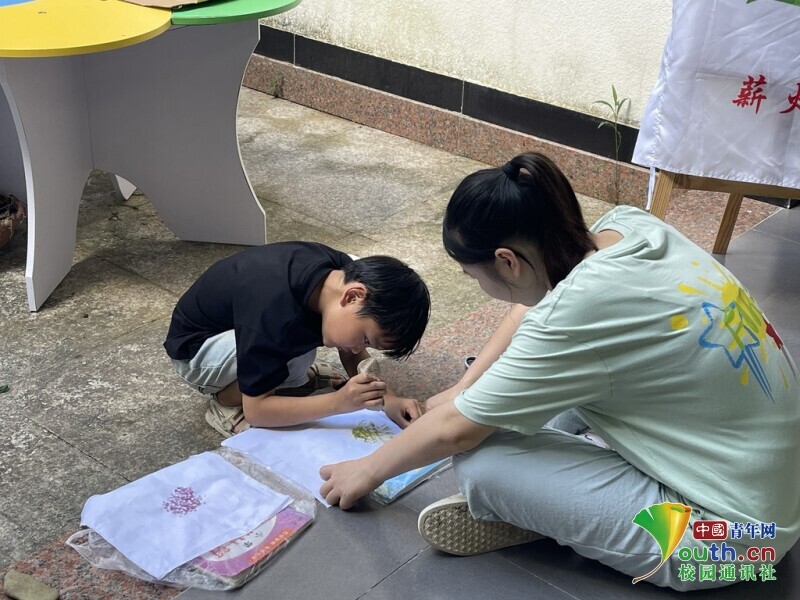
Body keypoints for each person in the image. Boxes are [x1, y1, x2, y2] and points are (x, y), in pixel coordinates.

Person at [319, 153, 799, 590]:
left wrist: (366, 470)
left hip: (735, 547)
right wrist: (465, 386)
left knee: (484, 463)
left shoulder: (574, 317)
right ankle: (563, 504)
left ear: (506, 261)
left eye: (473, 275)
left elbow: (455, 432)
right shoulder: (628, 228)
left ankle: (548, 512)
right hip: (779, 491)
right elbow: (534, 311)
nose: (478, 283)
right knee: (528, 389)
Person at [164, 241, 430, 436]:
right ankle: (226, 402)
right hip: (196, 352)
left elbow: (352, 352)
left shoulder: (345, 273)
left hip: (245, 329)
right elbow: (258, 412)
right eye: (365, 339)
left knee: (292, 351)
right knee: (286, 353)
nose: (359, 348)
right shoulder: (273, 314)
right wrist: (338, 403)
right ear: (352, 297)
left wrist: (388, 400)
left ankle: (285, 376)